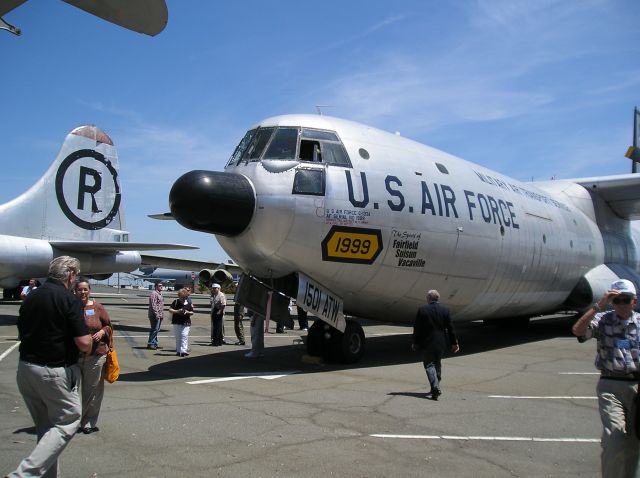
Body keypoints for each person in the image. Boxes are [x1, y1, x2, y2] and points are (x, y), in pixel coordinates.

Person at [8, 256, 91, 478]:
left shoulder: (32, 297)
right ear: (71, 274)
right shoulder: (68, 299)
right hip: (54, 371)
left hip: (26, 369)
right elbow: (83, 343)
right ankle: (24, 474)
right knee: (69, 420)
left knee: (46, 431)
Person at [572, 279, 640, 477]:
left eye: (625, 300)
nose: (620, 304)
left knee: (635, 442)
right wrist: (598, 305)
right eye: (616, 300)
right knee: (614, 438)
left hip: (637, 386)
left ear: (634, 301)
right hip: (611, 384)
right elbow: (578, 331)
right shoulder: (602, 320)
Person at [74, 279, 112, 435]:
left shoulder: (97, 308)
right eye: (79, 290)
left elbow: (108, 325)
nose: (82, 292)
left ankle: (88, 422)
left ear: (89, 291)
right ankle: (72, 421)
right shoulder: (70, 307)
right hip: (73, 356)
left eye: (85, 289)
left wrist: (102, 332)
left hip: (95, 355)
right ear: (74, 291)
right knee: (71, 391)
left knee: (93, 391)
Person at [412, 289, 460, 400]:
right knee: (437, 364)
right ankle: (436, 387)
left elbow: (417, 328)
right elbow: (451, 328)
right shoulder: (445, 310)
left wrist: (415, 342)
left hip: (427, 342)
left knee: (429, 365)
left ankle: (434, 387)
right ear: (437, 298)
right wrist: (454, 342)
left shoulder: (422, 310)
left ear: (429, 298)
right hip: (441, 343)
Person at [169, 288, 194, 357]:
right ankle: (178, 350)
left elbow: (192, 312)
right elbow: (170, 310)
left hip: (186, 322)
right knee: (178, 336)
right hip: (177, 321)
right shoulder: (176, 302)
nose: (182, 299)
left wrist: (187, 312)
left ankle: (183, 351)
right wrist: (177, 311)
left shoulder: (189, 303)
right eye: (181, 297)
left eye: (184, 297)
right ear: (179, 296)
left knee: (184, 335)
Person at [147, 282, 164, 350]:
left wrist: (161, 315)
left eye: (162, 285)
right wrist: (156, 314)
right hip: (154, 315)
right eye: (159, 286)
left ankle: (154, 343)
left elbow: (160, 305)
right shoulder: (154, 293)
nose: (161, 287)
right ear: (156, 286)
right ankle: (150, 343)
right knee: (154, 329)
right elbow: (153, 305)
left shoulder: (160, 294)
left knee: (157, 330)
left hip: (159, 315)